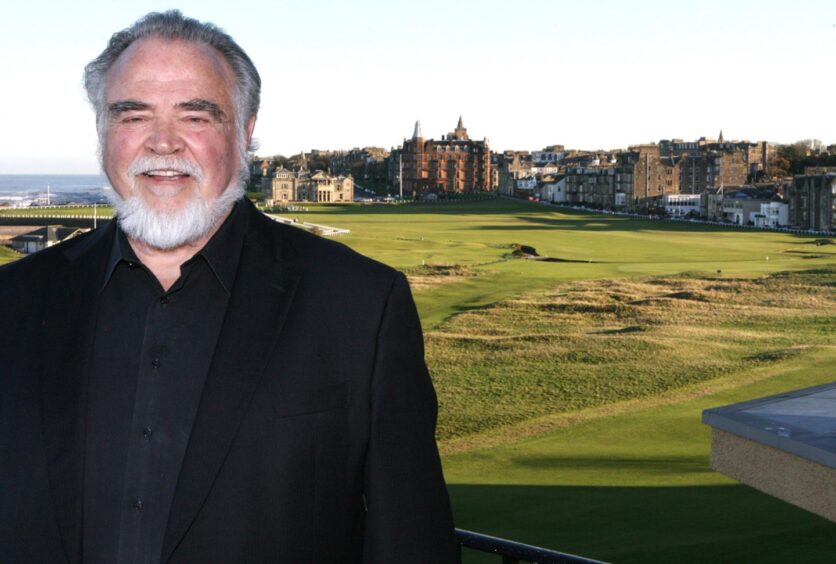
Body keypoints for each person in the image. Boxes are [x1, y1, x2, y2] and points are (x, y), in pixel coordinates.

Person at [0, 11, 457, 563]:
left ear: (243, 132)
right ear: (102, 131)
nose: (163, 144)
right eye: (133, 115)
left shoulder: (361, 307)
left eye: (195, 117)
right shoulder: (14, 301)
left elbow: (411, 540)